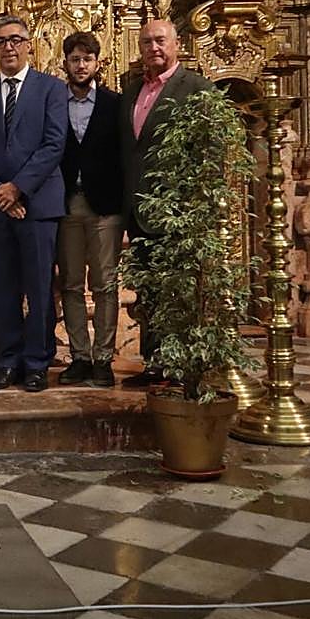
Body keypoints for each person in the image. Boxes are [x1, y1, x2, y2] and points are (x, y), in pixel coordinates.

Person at [0, 14, 68, 393]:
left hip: (38, 204)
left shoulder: (51, 89)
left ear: (29, 45)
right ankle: (6, 361)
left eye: (16, 40)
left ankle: (37, 363)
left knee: (39, 288)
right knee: (1, 288)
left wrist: (18, 189)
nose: (9, 46)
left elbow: (54, 144)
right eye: (1, 41)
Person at [119, 19, 214, 386]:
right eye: (146, 42)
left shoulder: (196, 88)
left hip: (177, 213)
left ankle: (181, 367)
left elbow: (209, 150)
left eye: (160, 41)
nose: (153, 48)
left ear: (177, 43)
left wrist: (193, 204)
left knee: (178, 292)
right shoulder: (130, 92)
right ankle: (155, 363)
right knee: (149, 292)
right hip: (138, 211)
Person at [55, 32, 123, 388]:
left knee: (105, 283)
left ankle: (103, 358)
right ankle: (79, 356)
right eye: (74, 59)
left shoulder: (114, 104)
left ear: (97, 63)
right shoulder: (54, 102)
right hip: (66, 202)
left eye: (87, 59)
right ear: (64, 63)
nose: (80, 65)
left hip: (105, 206)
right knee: (69, 283)